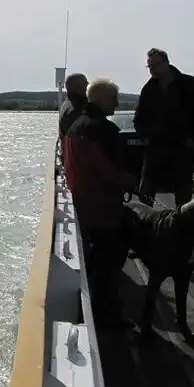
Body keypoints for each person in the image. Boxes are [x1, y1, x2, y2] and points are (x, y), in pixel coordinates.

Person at [63, 78, 139, 328]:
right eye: (113, 98)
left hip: (83, 203)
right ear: (101, 99)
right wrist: (132, 182)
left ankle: (96, 312)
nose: (117, 103)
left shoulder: (75, 126)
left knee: (96, 262)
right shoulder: (102, 130)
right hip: (103, 207)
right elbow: (106, 171)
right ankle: (107, 317)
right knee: (109, 263)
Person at [134, 48, 194, 209]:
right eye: (150, 66)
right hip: (156, 146)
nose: (152, 70)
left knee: (183, 192)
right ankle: (142, 219)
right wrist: (145, 137)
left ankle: (183, 221)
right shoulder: (149, 89)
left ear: (166, 63)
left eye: (156, 65)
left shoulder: (189, 84)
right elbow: (139, 117)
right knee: (146, 189)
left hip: (182, 146)